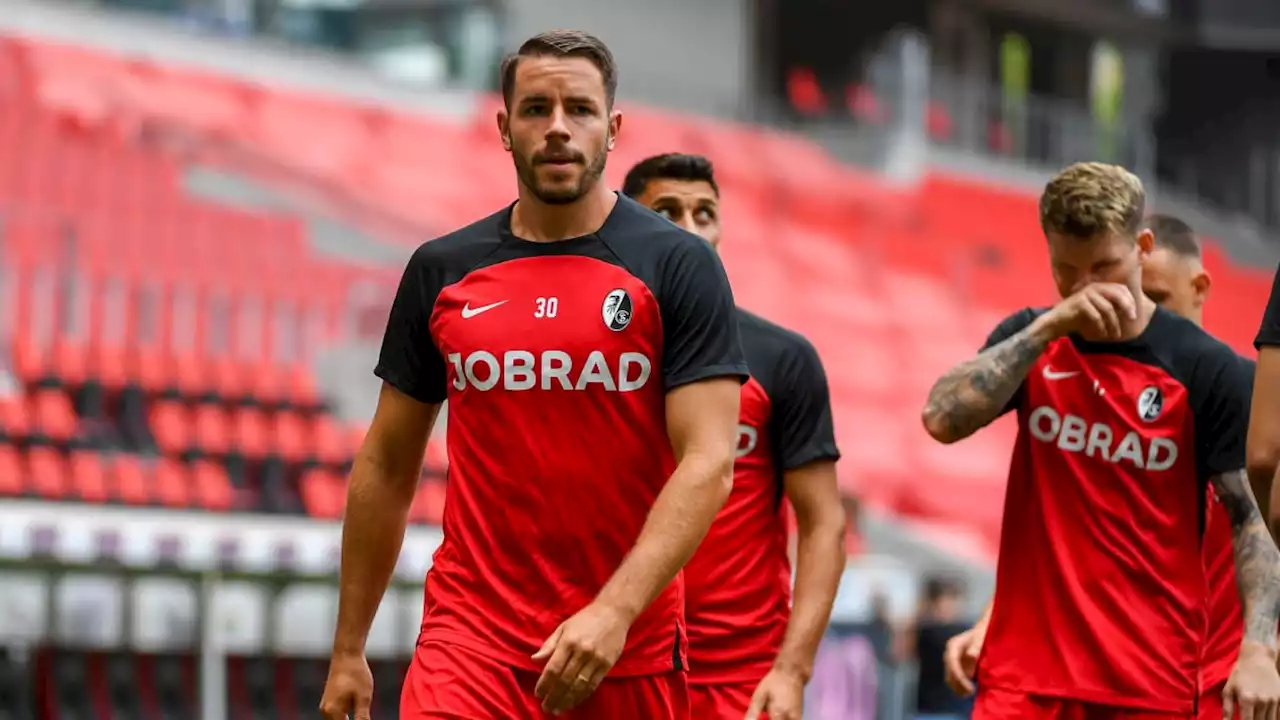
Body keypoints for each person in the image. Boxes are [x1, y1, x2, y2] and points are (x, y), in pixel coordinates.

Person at [318, 31, 749, 720]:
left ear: (612, 129)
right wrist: (348, 648)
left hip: (626, 647)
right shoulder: (443, 270)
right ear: (503, 127)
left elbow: (710, 461)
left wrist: (614, 612)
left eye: (578, 109)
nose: (557, 127)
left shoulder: (679, 267)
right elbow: (387, 463)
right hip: (470, 643)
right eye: (535, 108)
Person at [920, 162, 1280, 719]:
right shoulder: (1033, 339)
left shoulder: (1205, 369)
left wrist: (1256, 647)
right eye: (1067, 270)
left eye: (1104, 267)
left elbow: (1249, 521)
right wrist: (1045, 329)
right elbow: (941, 420)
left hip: (1146, 683)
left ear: (1141, 246)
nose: (1086, 289)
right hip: (1022, 680)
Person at [622, 153, 846, 720]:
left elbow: (823, 523)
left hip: (739, 678)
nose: (692, 230)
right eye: (668, 211)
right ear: (628, 227)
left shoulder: (781, 358)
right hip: (613, 658)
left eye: (706, 213)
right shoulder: (590, 355)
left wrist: (791, 670)